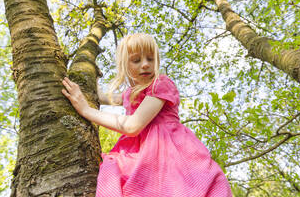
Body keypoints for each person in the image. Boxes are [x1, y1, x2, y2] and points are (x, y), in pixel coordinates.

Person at [62, 33, 232, 197]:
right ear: (125, 64)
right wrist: (90, 74)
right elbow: (100, 96)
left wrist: (86, 110)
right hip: (138, 151)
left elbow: (132, 126)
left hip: (168, 151)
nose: (145, 64)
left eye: (150, 59)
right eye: (136, 60)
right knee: (113, 173)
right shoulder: (130, 93)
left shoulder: (161, 84)